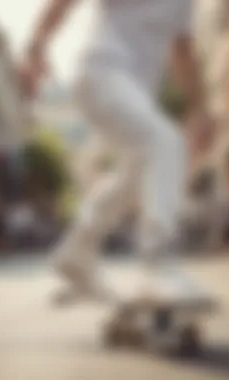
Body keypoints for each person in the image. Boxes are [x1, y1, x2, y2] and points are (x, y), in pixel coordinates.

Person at [21, 0, 206, 298]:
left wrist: (200, 110)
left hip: (134, 93)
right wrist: (36, 47)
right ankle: (159, 261)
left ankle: (76, 253)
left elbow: (183, 51)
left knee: (134, 176)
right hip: (101, 71)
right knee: (166, 141)